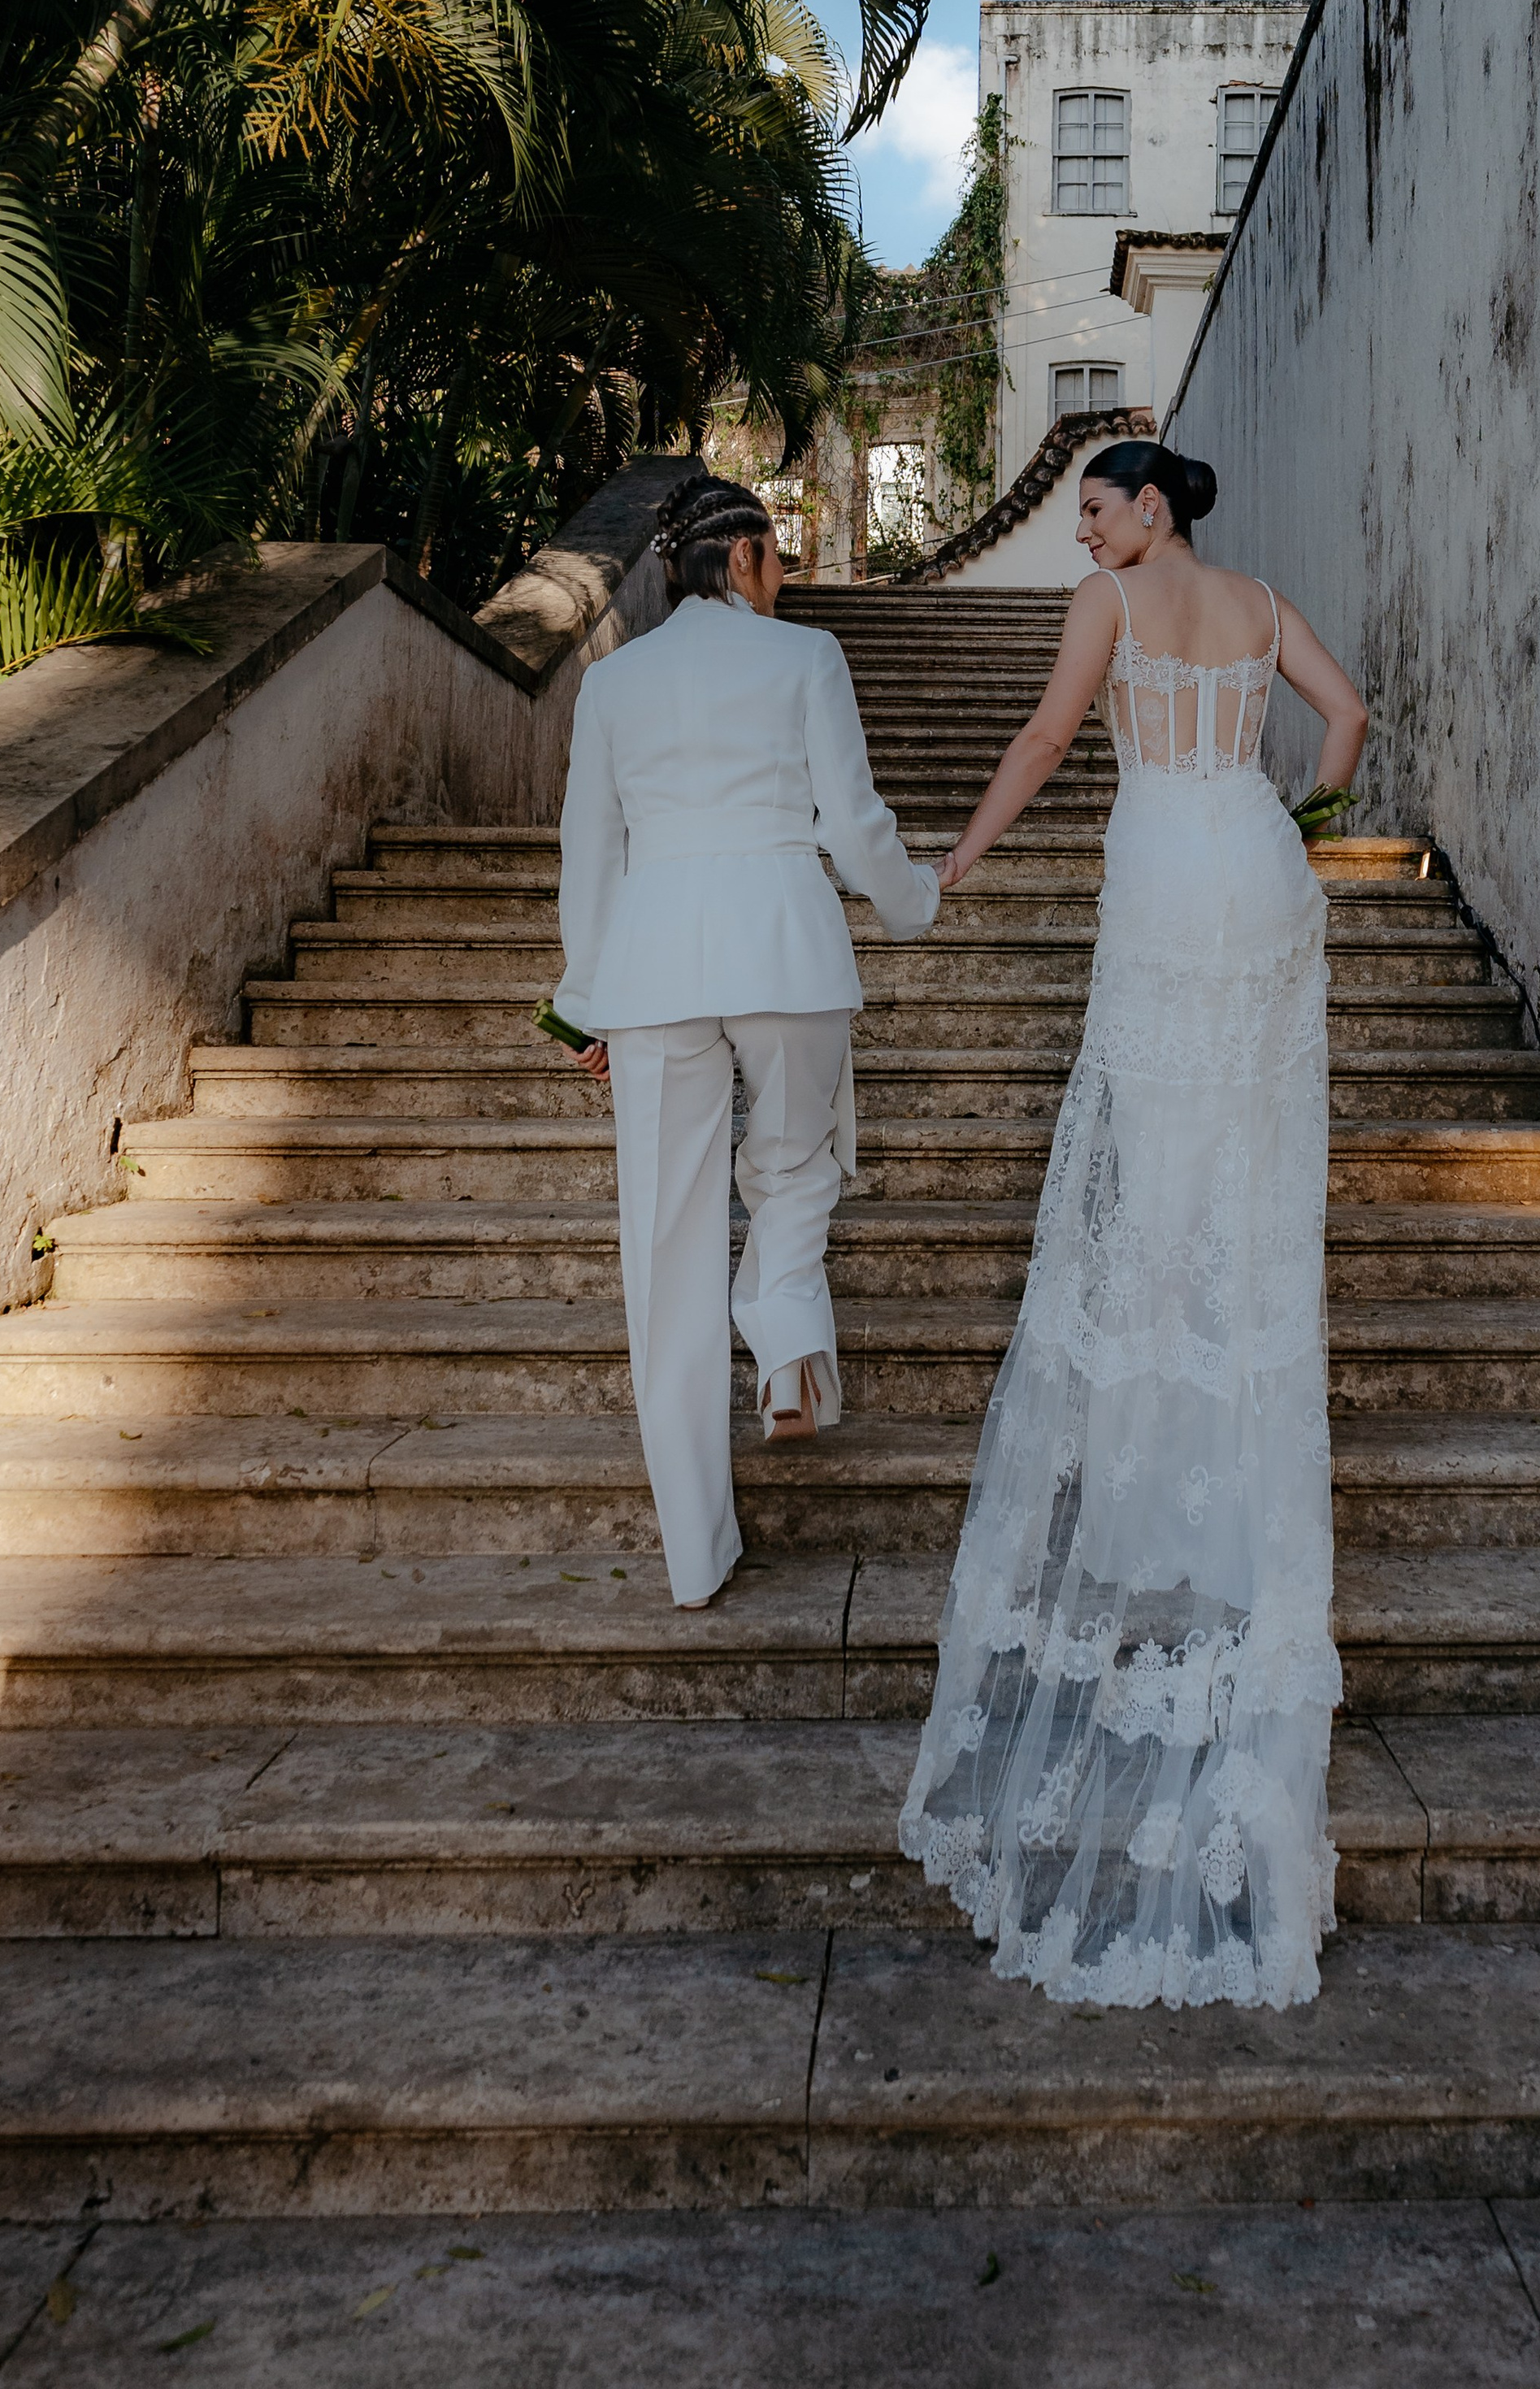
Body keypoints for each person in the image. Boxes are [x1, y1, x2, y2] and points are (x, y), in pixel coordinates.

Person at [899, 438, 1369, 2009]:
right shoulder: (1257, 598)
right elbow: (1349, 720)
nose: (1083, 532)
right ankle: (1221, 1472)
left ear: (1145, 508)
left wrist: (966, 846)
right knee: (1247, 1176)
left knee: (1156, 1173)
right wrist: (1308, 818)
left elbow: (1047, 735)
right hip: (1259, 870)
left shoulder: (1113, 603)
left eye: (1092, 509)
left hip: (1169, 878)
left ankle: (1149, 1462)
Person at [551, 476, 939, 1610]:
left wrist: (585, 1001)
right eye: (782, 554)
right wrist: (916, 895)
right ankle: (782, 1345)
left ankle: (695, 1555)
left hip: (655, 967)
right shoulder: (807, 658)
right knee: (793, 1169)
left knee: (662, 1253)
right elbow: (854, 826)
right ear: (752, 555)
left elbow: (591, 856)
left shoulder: (613, 683)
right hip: (787, 950)